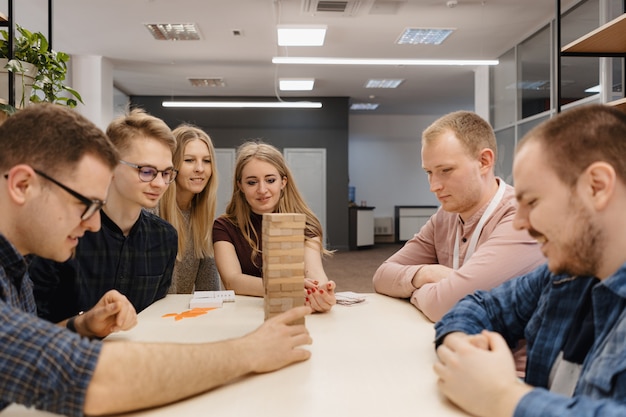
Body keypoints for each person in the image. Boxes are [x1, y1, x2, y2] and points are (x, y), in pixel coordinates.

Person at [0, 103, 312, 417]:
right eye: (84, 202)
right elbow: (90, 379)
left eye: (166, 174)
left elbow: (30, 347)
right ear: (22, 185)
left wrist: (82, 324)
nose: (94, 224)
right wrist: (249, 350)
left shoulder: (15, 266)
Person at [433, 104, 626, 417]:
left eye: (532, 202)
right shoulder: (565, 276)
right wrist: (462, 348)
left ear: (597, 187)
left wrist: (500, 397)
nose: (520, 223)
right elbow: (479, 306)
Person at [372, 110, 545, 321]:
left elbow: (448, 306)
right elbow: (382, 276)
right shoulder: (445, 216)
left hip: (504, 351)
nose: (434, 186)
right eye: (429, 172)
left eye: (446, 170)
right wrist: (425, 274)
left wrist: (414, 292)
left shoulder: (521, 218)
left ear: (484, 161)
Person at [29, 108, 178, 322]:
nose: (160, 184)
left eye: (166, 173)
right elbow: (32, 328)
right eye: (146, 171)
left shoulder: (164, 237)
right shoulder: (67, 232)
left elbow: (153, 314)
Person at [213, 141, 336, 313]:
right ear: (240, 185)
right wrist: (283, 286)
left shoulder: (306, 224)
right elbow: (232, 281)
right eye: (252, 182)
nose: (262, 190)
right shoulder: (224, 226)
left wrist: (322, 292)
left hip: (290, 310)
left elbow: (314, 272)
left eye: (270, 180)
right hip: (243, 313)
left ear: (283, 182)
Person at [157, 124, 221, 293]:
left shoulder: (202, 218)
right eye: (189, 160)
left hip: (181, 317)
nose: (200, 169)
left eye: (206, 161)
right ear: (171, 166)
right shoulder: (151, 214)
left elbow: (209, 289)